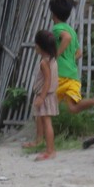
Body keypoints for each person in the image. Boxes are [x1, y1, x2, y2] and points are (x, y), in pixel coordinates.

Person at [47, 0, 94, 116]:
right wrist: (69, 60)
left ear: (53, 14)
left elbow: (66, 38)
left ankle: (43, 127)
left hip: (60, 74)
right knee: (72, 108)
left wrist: (55, 56)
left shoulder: (56, 29)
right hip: (72, 74)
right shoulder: (71, 30)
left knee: (46, 105)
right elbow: (79, 53)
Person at [29, 29, 60, 162]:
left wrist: (41, 97)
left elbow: (47, 81)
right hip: (49, 95)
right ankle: (47, 147)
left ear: (40, 46)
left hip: (46, 96)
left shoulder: (44, 63)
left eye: (36, 44)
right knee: (43, 120)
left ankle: (50, 151)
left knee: (47, 122)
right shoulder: (52, 60)